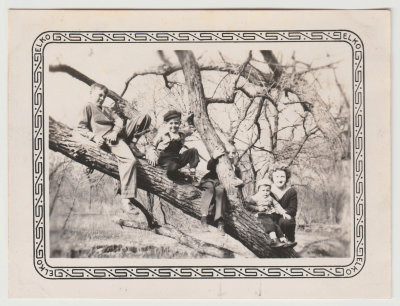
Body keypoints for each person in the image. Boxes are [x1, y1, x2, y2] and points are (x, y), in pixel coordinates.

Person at [77, 83, 151, 211]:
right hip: (109, 140)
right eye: (99, 95)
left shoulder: (107, 109)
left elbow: (119, 121)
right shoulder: (87, 107)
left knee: (145, 117)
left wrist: (115, 132)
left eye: (104, 96)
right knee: (130, 160)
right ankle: (126, 199)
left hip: (118, 134)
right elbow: (81, 127)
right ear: (91, 93)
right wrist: (94, 137)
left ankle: (132, 143)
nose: (102, 98)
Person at [199, 144, 243, 234]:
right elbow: (209, 167)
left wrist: (241, 183)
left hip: (221, 185)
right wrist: (214, 157)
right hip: (210, 180)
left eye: (233, 153)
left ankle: (220, 222)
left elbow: (237, 183)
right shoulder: (219, 161)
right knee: (210, 189)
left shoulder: (236, 169)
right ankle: (204, 217)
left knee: (221, 190)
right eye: (228, 152)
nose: (231, 155)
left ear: (236, 154)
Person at [146, 110, 200, 182]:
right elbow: (152, 146)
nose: (173, 126)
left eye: (176, 123)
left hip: (177, 158)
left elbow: (192, 128)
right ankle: (178, 175)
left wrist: (189, 119)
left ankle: (192, 175)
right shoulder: (162, 134)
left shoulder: (182, 133)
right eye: (171, 123)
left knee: (193, 151)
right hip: (165, 160)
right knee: (173, 167)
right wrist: (152, 155)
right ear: (166, 124)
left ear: (180, 123)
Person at [247, 178, 296, 248]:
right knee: (270, 224)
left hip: (269, 215)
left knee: (276, 226)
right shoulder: (255, 197)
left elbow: (277, 205)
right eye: (263, 190)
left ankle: (284, 241)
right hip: (260, 215)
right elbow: (248, 206)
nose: (265, 192)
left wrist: (284, 213)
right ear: (258, 190)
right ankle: (274, 240)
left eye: (268, 190)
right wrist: (257, 208)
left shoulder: (270, 198)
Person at [269, 166, 298, 243]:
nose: (280, 179)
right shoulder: (267, 190)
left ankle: (290, 239)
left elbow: (293, 210)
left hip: (285, 218)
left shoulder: (291, 191)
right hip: (271, 217)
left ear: (287, 177)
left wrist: (280, 212)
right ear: (272, 177)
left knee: (287, 221)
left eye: (282, 176)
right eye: (277, 176)